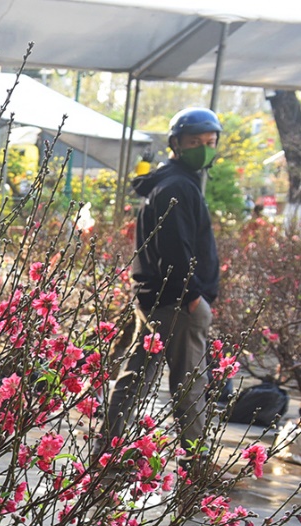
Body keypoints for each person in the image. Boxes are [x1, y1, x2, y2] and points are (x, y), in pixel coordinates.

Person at [102, 107, 222, 472]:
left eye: (209, 143)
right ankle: (196, 460)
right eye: (194, 143)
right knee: (190, 382)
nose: (203, 149)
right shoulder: (177, 187)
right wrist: (192, 296)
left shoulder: (171, 181)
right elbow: (175, 248)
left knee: (135, 377)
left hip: (155, 299)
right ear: (176, 145)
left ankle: (108, 450)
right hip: (177, 303)